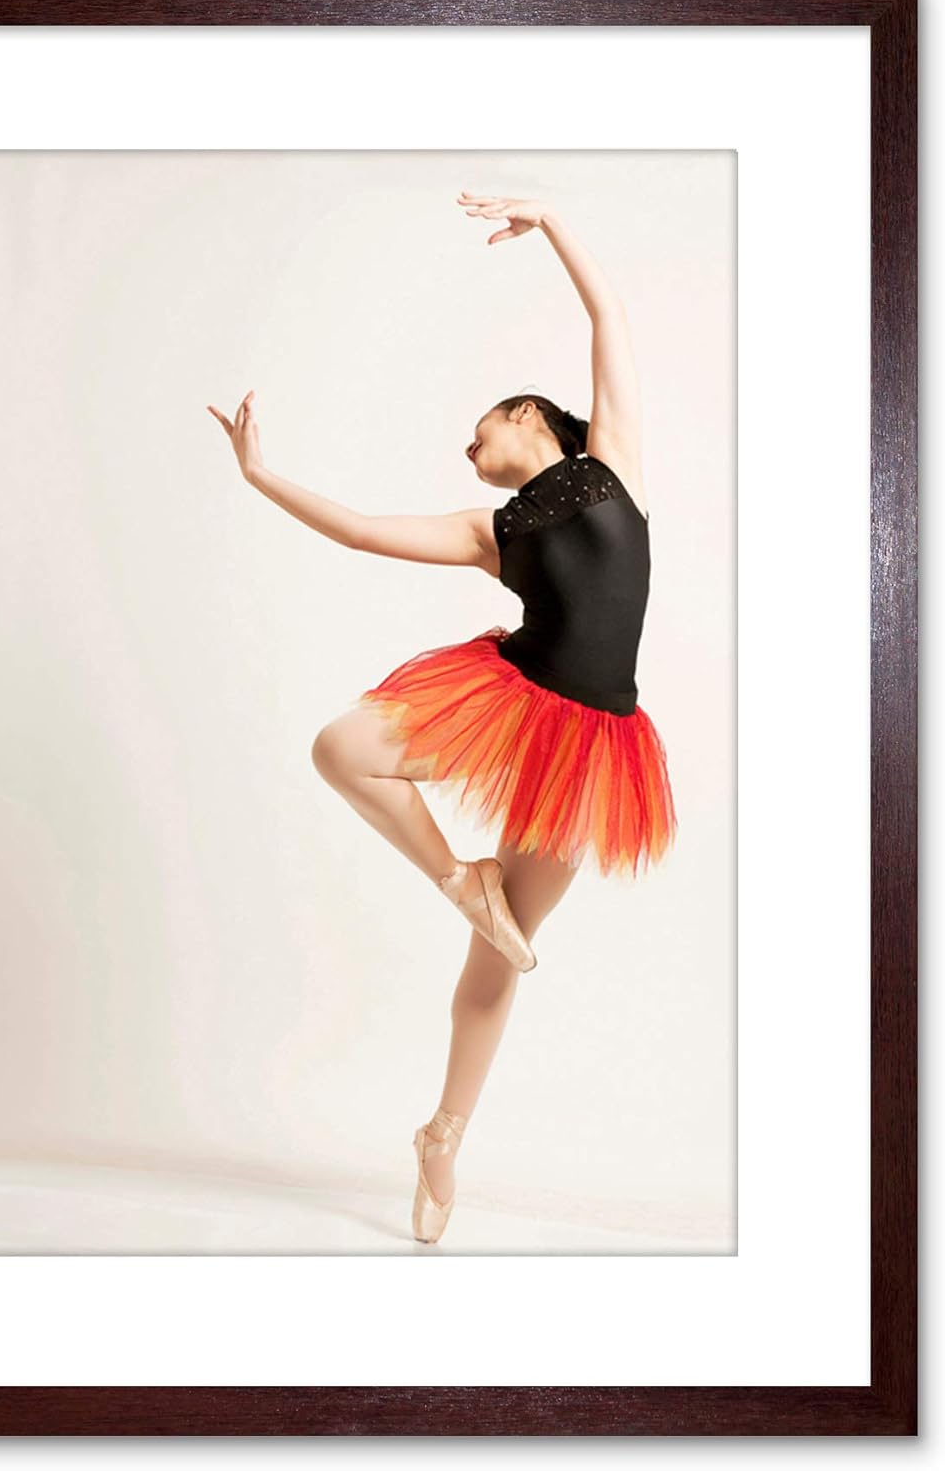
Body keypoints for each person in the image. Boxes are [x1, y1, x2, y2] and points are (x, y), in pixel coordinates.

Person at [207, 190, 677, 1245]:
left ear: (529, 415)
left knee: (499, 959)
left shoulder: (614, 465)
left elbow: (608, 319)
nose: (467, 451)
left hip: (593, 744)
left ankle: (441, 1137)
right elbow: (362, 531)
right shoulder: (486, 532)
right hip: (513, 699)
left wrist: (551, 222)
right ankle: (460, 878)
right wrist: (261, 474)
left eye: (478, 433)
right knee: (342, 748)